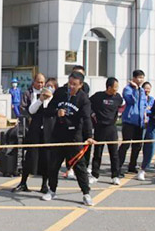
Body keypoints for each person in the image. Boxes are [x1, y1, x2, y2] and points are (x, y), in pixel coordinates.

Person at [42, 72, 96, 206]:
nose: (71, 86)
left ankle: (86, 193)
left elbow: (87, 119)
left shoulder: (83, 99)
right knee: (53, 165)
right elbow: (48, 111)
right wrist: (57, 112)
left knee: (79, 167)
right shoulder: (60, 92)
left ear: (80, 85)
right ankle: (52, 190)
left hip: (74, 137)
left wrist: (89, 136)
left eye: (74, 84)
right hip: (58, 135)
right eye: (69, 83)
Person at [12, 73, 50, 193]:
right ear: (34, 82)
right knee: (30, 156)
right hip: (32, 128)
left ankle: (44, 184)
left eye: (42, 82)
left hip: (46, 129)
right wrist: (28, 117)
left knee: (46, 157)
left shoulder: (48, 93)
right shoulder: (28, 93)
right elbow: (24, 109)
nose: (40, 84)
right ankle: (23, 182)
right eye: (38, 82)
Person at [89, 77, 123, 185]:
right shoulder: (98, 96)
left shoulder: (118, 97)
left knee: (114, 154)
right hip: (100, 127)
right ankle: (95, 175)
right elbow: (87, 104)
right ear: (109, 87)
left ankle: (115, 176)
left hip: (112, 128)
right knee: (97, 153)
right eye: (115, 87)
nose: (116, 89)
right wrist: (92, 114)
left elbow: (121, 106)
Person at [118, 70, 147, 176]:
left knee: (137, 145)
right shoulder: (128, 89)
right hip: (129, 121)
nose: (141, 80)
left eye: (142, 77)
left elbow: (143, 105)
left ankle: (132, 165)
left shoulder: (142, 90)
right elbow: (131, 101)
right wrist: (135, 89)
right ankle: (117, 167)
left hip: (139, 121)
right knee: (126, 144)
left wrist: (145, 117)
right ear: (134, 78)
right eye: (139, 77)